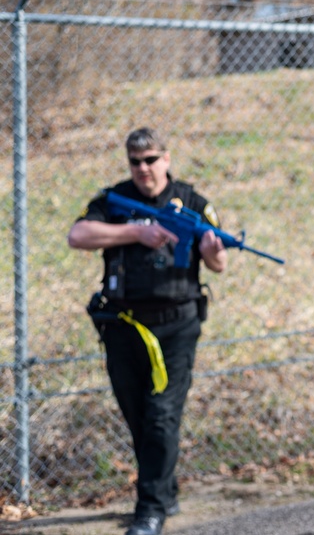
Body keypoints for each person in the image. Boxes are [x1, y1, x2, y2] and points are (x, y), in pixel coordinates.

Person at [68, 127, 227, 535]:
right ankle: (165, 490)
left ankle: (150, 510)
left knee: (161, 416)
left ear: (167, 159)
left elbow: (218, 261)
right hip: (123, 326)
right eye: (136, 162)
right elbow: (79, 234)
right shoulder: (113, 200)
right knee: (138, 416)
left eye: (151, 159)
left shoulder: (191, 201)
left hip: (176, 325)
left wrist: (212, 253)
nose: (143, 169)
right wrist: (136, 232)